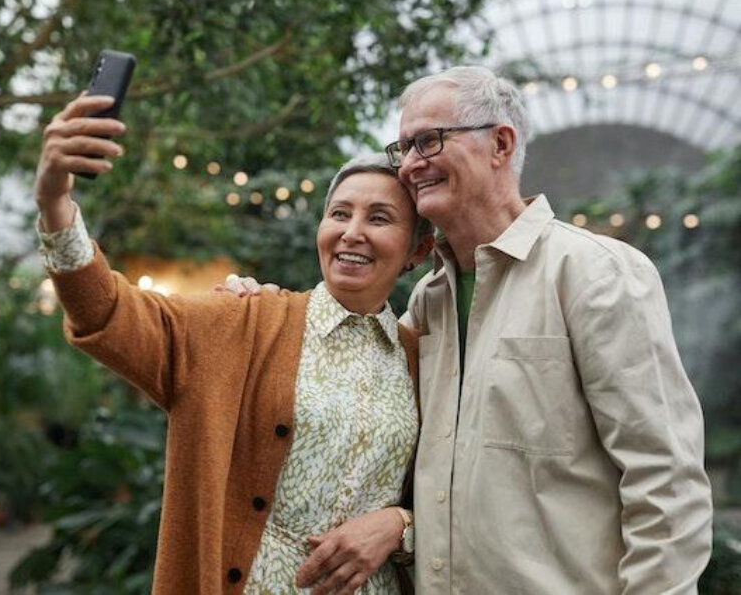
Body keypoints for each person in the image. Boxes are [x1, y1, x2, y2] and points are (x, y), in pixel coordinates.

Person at [229, 66, 713, 594]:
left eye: (429, 141)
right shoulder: (427, 302)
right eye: (404, 147)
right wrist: (262, 312)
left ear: (500, 144)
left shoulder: (595, 273)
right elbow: (408, 459)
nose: (410, 164)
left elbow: (665, 481)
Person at [32, 94, 435, 594]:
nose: (352, 233)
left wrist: (401, 524)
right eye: (339, 214)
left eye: (379, 218)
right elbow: (107, 313)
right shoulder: (242, 323)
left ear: (418, 249)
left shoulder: (424, 358)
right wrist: (54, 203)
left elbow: (454, 494)